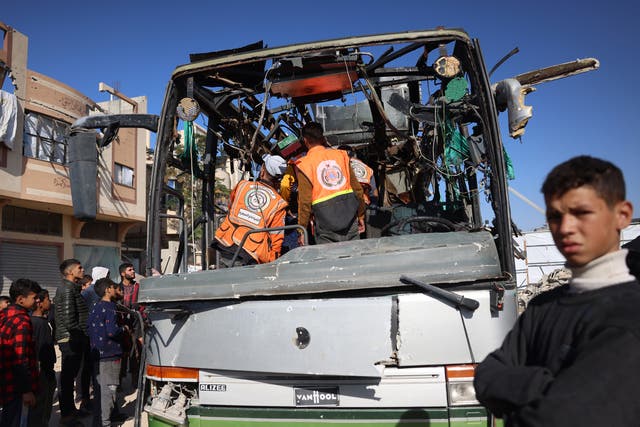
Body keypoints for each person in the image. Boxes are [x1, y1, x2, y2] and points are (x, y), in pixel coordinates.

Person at [474, 155, 640, 426]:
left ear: (622, 215)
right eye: (554, 216)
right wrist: (548, 387)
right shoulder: (543, 306)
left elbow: (557, 418)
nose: (565, 228)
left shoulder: (628, 317)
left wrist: (521, 392)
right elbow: (486, 377)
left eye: (581, 213)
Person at [295, 122, 365, 244]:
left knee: (330, 262)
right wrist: (361, 215)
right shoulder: (341, 155)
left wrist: (302, 231)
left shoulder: (304, 164)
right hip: (350, 219)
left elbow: (305, 202)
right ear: (322, 138)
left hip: (325, 224)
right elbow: (357, 189)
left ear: (305, 140)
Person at [214, 154, 288, 266]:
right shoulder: (279, 204)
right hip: (251, 255)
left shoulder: (242, 186)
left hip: (226, 244)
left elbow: (231, 207)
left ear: (263, 169)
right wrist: (272, 263)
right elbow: (276, 239)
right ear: (280, 179)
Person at [87, 278, 128, 427]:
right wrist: (124, 329)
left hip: (97, 354)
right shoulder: (110, 307)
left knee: (100, 392)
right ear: (107, 290)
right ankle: (105, 423)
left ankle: (98, 422)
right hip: (110, 355)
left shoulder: (95, 306)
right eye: (113, 287)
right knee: (109, 392)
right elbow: (112, 331)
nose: (115, 289)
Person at [54, 258, 91, 424]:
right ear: (70, 272)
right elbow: (69, 320)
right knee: (67, 379)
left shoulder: (72, 288)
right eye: (79, 267)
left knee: (70, 377)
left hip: (75, 337)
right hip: (70, 339)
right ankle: (67, 415)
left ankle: (71, 411)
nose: (82, 270)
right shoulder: (67, 289)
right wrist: (81, 335)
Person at [0, 278, 41, 427]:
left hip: (6, 381)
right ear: (21, 300)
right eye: (34, 298)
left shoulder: (5, 314)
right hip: (17, 387)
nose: (38, 301)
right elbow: (20, 358)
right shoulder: (22, 322)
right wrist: (26, 390)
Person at [28, 289, 56, 427]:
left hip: (43, 371)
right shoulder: (40, 324)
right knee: (42, 408)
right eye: (48, 299)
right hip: (43, 373)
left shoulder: (36, 321)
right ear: (39, 303)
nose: (49, 302)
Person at [117, 263, 142, 390]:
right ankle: (119, 381)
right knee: (122, 354)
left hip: (136, 325)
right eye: (130, 270)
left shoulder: (138, 287)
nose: (133, 272)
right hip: (121, 325)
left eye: (133, 269)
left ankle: (135, 381)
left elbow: (143, 306)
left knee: (136, 353)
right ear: (123, 274)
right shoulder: (117, 288)